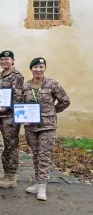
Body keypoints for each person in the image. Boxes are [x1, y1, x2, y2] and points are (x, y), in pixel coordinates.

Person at [22, 58, 70, 201]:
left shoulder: (52, 84)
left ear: (45, 68)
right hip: (31, 126)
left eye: (41, 67)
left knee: (44, 155)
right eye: (35, 67)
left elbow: (65, 101)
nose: (38, 70)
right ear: (31, 69)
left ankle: (43, 185)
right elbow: (22, 104)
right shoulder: (26, 86)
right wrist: (23, 116)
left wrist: (52, 112)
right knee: (36, 154)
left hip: (47, 126)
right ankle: (38, 182)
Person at [0, 50, 24, 189]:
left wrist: (5, 108)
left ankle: (11, 176)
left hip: (9, 117)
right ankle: (6, 174)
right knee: (2, 144)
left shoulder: (17, 77)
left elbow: (18, 97)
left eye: (7, 59)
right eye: (2, 60)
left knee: (11, 145)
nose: (4, 61)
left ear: (13, 61)